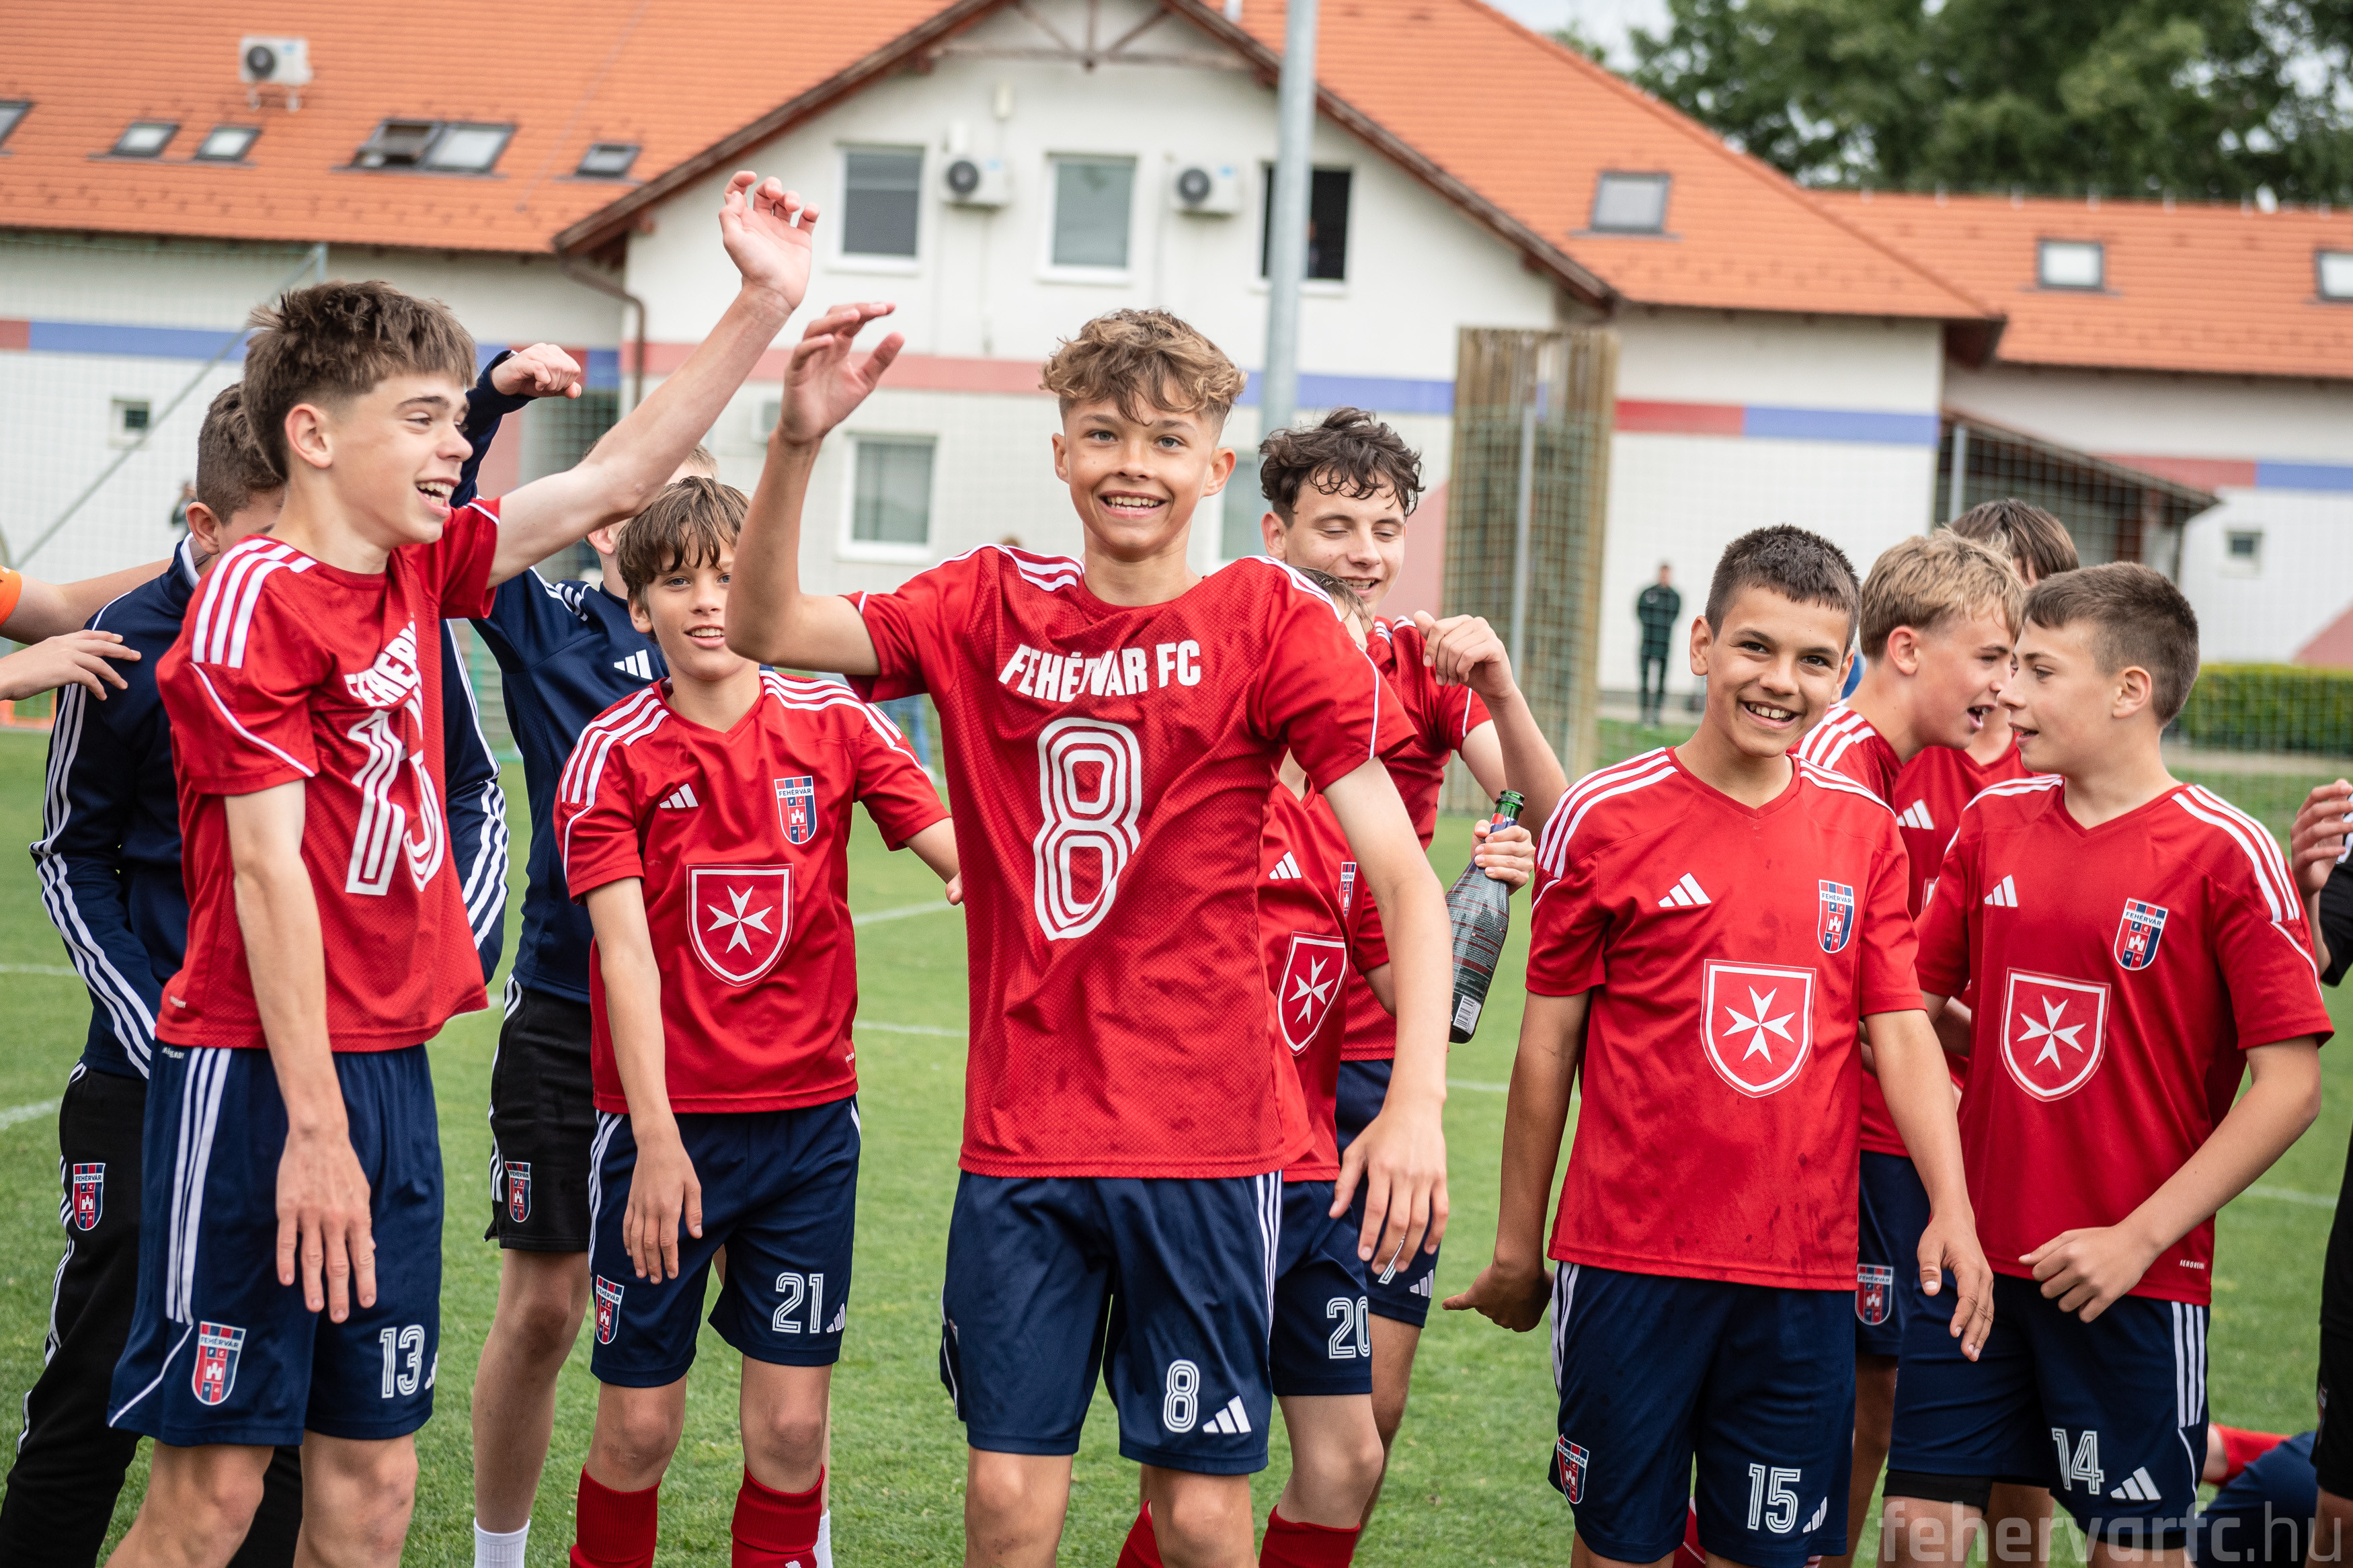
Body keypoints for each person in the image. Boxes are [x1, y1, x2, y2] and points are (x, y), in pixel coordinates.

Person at [99, 170, 822, 1568]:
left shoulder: (416, 573)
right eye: (425, 419)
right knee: (211, 1503)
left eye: (455, 417)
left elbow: (618, 477)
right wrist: (317, 1131)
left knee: (373, 1493)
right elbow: (267, 877)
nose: (457, 446)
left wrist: (761, 303)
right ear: (313, 435)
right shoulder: (253, 596)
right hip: (261, 1083)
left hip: (388, 1076)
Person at [726, 304, 1454, 1568]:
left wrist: (1417, 1106)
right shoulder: (983, 602)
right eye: (1105, 433)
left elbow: (1404, 877)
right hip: (1026, 1138)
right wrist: (796, 441)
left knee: (1203, 1516)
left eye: (1169, 440)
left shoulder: (1271, 620)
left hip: (1208, 1147)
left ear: (1215, 468)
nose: (1135, 463)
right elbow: (767, 627)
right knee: (1009, 1506)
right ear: (1061, 452)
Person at [1, 371, 535, 1568]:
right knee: (102, 1380)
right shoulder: (126, 639)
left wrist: (444, 949)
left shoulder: (374, 598)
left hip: (331, 1064)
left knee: (302, 1428)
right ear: (208, 526)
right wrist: (159, 1029)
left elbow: (467, 786)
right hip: (160, 1068)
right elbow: (74, 855)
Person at [1447, 523, 1993, 1568]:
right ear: (1701, 645)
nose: (1781, 680)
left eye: (1814, 659)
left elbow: (1901, 1035)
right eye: (1756, 646)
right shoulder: (1603, 817)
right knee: (1622, 1549)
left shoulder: (1863, 831)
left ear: (1846, 669)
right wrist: (1519, 1247)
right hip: (1630, 1261)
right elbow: (1546, 1049)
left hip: (1803, 1274)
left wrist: (1954, 1210)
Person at [1878, 564, 2329, 1568]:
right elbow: (1918, 1009)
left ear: (2130, 689)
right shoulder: (1992, 825)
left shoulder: (2226, 852)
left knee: (2130, 1551)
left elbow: (2291, 1086)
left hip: (2133, 1279)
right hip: (1977, 1262)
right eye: (2009, 666)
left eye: (2039, 670)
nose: (2008, 693)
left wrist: (2136, 1239)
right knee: (1917, 1532)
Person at [553, 479, 954, 1568]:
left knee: (789, 1429)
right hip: (664, 1132)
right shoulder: (613, 752)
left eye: (730, 576)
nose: (707, 600)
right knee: (640, 1427)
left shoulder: (836, 721)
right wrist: (655, 1139)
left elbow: (961, 855)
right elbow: (624, 957)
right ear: (640, 608)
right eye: (678, 581)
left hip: (808, 1130)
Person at [1251, 408, 1562, 1501]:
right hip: (1245, 1060)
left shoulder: (1420, 667)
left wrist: (1500, 691)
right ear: (1276, 532)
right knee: (1217, 1416)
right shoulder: (1228, 654)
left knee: (1364, 1422)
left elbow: (1565, 825)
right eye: (1336, 526)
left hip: (1383, 1061)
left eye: (1385, 529)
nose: (1365, 553)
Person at [462, 398, 723, 1568]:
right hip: (569, 1016)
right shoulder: (550, 620)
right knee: (545, 1306)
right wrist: (488, 405)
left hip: (720, 1028)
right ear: (604, 523)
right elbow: (454, 527)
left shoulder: (739, 631)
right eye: (650, 498)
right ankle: (498, 1555)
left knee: (755, 1323)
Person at [1786, 531, 2022, 1568]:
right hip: (1834, 1144)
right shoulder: (1838, 772)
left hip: (1867, 1134)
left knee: (1866, 1400)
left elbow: (1888, 990)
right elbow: (1846, 1006)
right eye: (1992, 657)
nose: (2004, 685)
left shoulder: (1887, 764)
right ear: (1910, 648)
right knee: (1842, 1408)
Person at [1636, 563, 1679, 725]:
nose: (1664, 577)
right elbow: (1640, 611)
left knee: (1662, 679)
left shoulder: (1674, 596)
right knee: (1645, 678)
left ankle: (1657, 714)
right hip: (1647, 643)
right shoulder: (1648, 593)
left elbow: (1675, 616)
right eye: (1662, 574)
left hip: (1664, 645)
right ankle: (1643, 713)